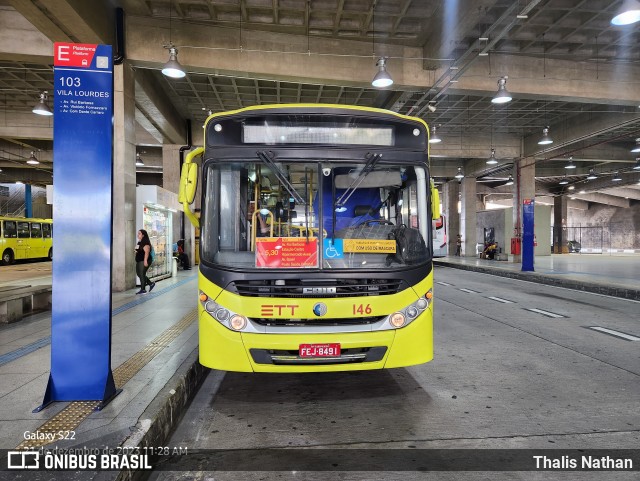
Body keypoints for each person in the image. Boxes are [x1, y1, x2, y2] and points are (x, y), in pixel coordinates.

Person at [135, 229, 155, 294]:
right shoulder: (139, 242)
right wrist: (136, 250)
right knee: (139, 274)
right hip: (139, 260)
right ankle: (150, 283)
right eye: (138, 233)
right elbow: (136, 251)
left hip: (144, 260)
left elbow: (146, 252)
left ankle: (143, 289)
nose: (138, 235)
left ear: (143, 235)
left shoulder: (146, 243)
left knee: (141, 274)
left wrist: (145, 261)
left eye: (139, 233)